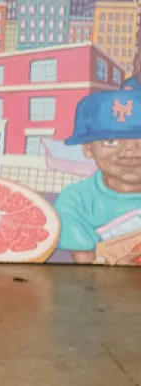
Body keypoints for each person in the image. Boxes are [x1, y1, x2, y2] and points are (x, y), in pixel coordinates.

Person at [55, 90, 141, 266]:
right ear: (88, 148)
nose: (131, 152)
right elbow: (86, 273)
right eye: (111, 141)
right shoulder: (75, 201)